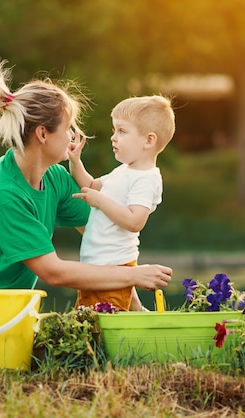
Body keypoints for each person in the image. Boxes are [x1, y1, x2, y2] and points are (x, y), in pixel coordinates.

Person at [0, 57, 173, 374]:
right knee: (31, 361)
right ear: (42, 134)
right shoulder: (2, 193)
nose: (73, 137)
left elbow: (103, 238)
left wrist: (134, 305)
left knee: (65, 353)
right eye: (68, 129)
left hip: (4, 309)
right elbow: (54, 273)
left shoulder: (53, 177)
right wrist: (134, 276)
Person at [68, 95, 176, 311]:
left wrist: (99, 201)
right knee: (89, 317)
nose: (113, 138)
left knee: (102, 322)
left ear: (148, 140)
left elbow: (135, 221)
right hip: (97, 264)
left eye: (122, 131)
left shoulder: (146, 179)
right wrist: (75, 161)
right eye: (114, 130)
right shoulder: (124, 171)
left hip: (114, 266)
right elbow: (90, 184)